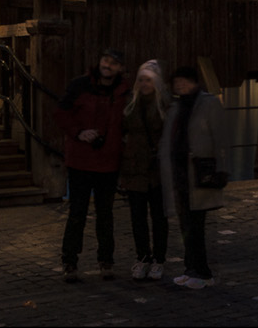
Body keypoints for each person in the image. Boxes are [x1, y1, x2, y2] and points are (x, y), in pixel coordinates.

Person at [54, 48, 128, 283]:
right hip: (81, 162)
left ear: (120, 68)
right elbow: (60, 114)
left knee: (106, 215)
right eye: (106, 60)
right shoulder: (80, 85)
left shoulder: (125, 91)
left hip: (109, 163)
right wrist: (79, 132)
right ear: (100, 61)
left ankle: (106, 261)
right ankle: (69, 262)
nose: (108, 65)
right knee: (77, 213)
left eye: (114, 63)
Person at [159, 64, 230, 290]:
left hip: (199, 173)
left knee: (195, 226)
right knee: (185, 225)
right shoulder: (177, 106)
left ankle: (203, 273)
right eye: (176, 82)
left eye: (184, 81)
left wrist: (221, 168)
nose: (180, 85)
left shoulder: (208, 103)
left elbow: (221, 137)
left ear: (194, 82)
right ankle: (190, 269)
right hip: (180, 174)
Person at [118, 59, 171, 282]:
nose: (144, 83)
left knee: (159, 217)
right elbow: (121, 132)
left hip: (157, 169)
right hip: (134, 168)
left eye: (148, 80)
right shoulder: (130, 103)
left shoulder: (165, 104)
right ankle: (143, 257)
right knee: (137, 217)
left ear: (156, 81)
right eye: (141, 79)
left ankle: (159, 259)